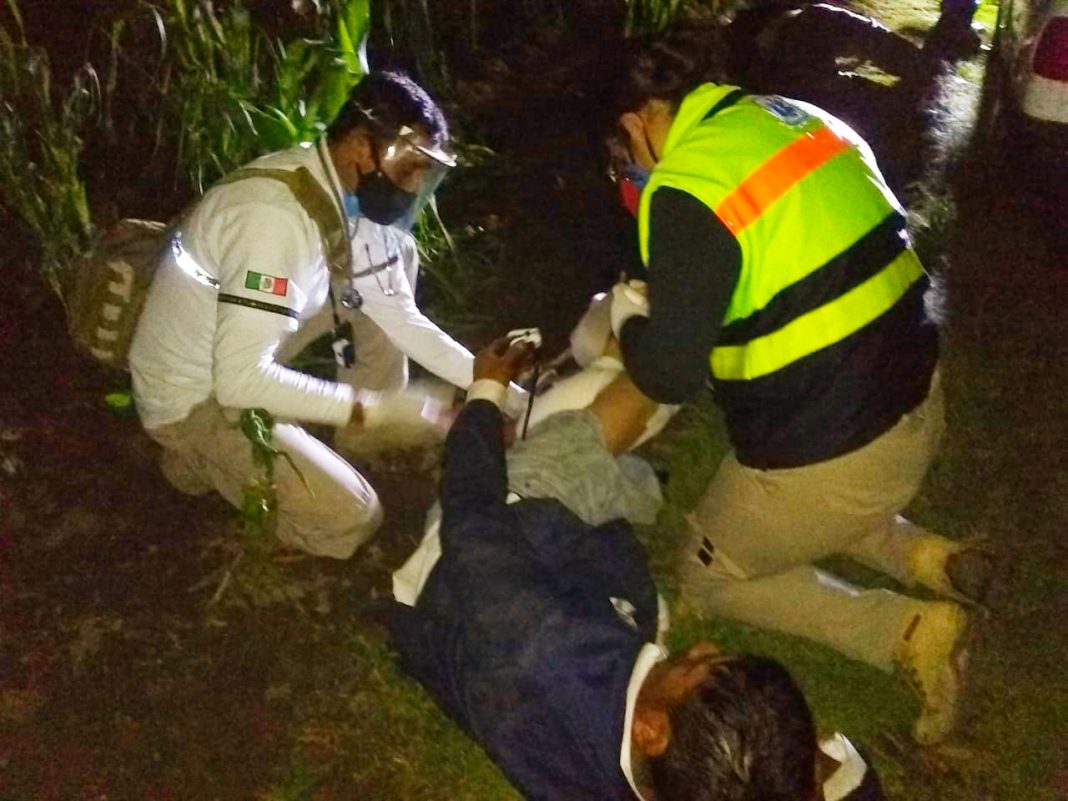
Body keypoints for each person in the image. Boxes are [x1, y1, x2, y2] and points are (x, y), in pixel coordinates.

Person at [603, 29, 993, 745]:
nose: (628, 168)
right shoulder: (801, 119)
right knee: (822, 503)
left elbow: (667, 374)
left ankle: (906, 629)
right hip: (917, 406)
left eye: (621, 152)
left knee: (706, 572)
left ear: (636, 123)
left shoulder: (687, 187)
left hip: (835, 457)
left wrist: (626, 317)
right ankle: (926, 557)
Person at [386, 337, 879, 801]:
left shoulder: (537, 640)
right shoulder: (684, 783)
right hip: (535, 607)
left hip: (484, 546)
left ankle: (632, 358)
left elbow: (471, 511)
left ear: (652, 730)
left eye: (701, 667)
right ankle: (627, 465)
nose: (703, 647)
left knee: (601, 423)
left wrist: (486, 391)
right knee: (636, 486)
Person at [129, 70, 522, 560]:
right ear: (359, 146)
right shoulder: (274, 220)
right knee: (353, 518)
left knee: (383, 278)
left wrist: (504, 395)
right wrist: (377, 408)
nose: (417, 183)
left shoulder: (342, 193)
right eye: (410, 166)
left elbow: (400, 318)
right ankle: (194, 460)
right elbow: (238, 382)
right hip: (196, 394)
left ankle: (352, 447)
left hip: (234, 343)